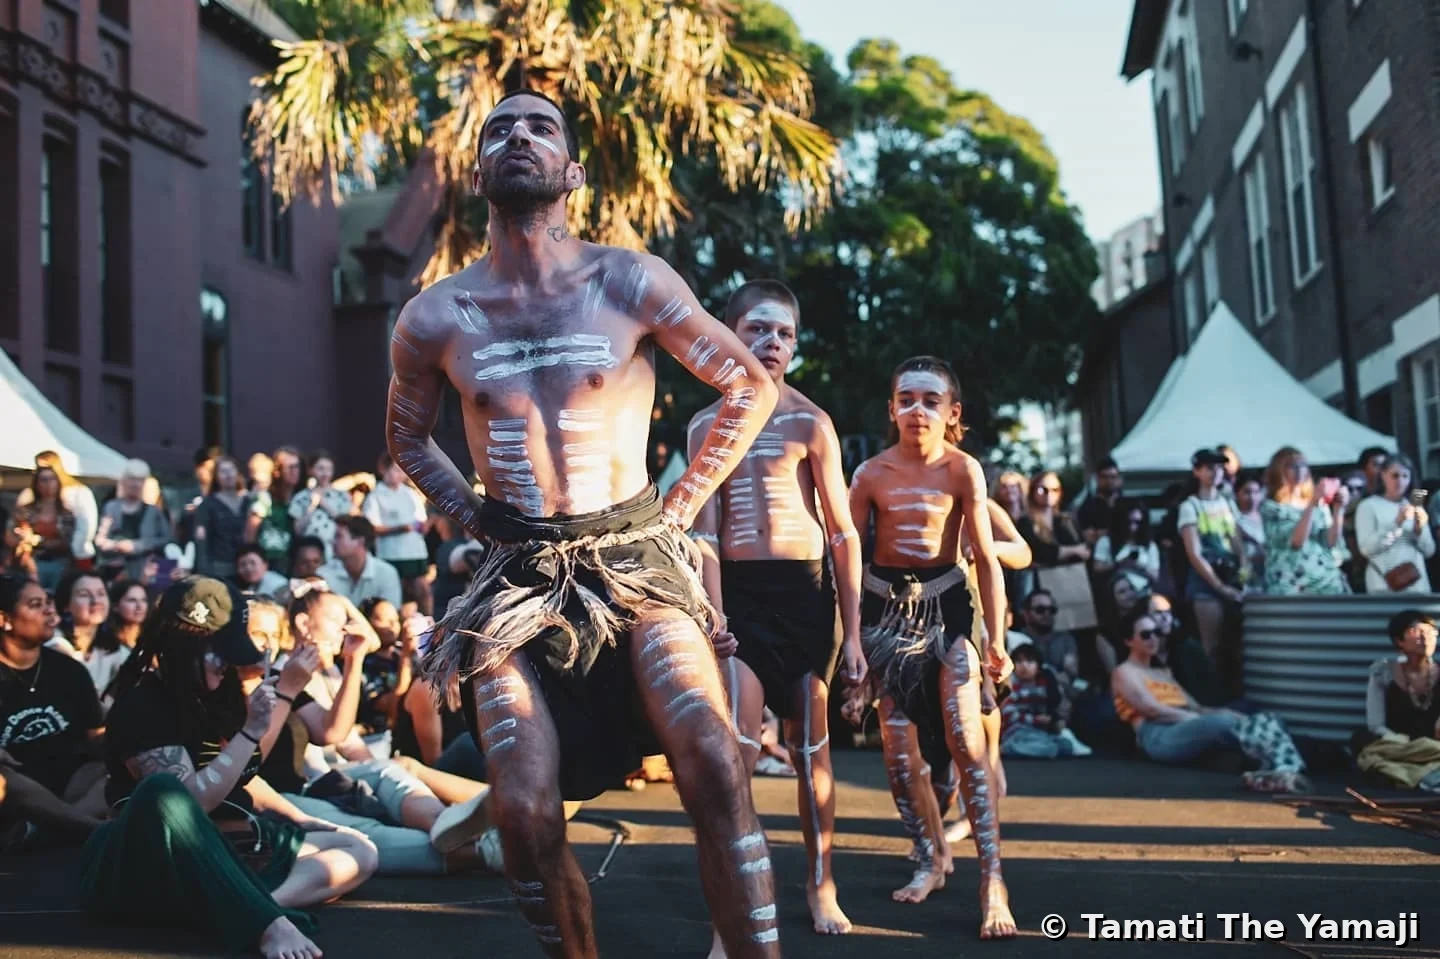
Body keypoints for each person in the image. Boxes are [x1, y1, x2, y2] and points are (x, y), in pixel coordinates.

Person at [384, 89, 781, 956]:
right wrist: (476, 516)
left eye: (540, 126)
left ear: (570, 172)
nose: (517, 135)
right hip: (516, 582)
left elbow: (750, 384)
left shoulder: (627, 279)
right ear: (478, 172)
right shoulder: (435, 316)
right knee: (523, 814)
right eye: (498, 128)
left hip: (636, 560)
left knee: (715, 762)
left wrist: (679, 505)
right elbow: (407, 440)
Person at [685, 279, 865, 938]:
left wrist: (853, 636)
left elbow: (842, 531)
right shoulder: (707, 425)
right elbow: (703, 529)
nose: (772, 342)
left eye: (784, 332)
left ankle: (822, 885)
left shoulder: (810, 421)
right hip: (743, 597)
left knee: (813, 751)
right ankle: (734, 909)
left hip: (807, 593)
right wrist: (714, 614)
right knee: (733, 754)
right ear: (732, 333)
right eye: (758, 329)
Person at [85, 577, 380, 959]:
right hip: (151, 860)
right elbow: (190, 804)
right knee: (163, 791)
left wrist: (300, 818)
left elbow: (251, 775)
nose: (229, 664)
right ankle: (264, 921)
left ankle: (236, 906)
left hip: (234, 847)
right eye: (222, 652)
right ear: (185, 644)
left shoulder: (216, 691)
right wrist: (252, 730)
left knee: (359, 850)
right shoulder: (141, 705)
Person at [847, 356, 1015, 938]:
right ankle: (931, 858)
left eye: (931, 400)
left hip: (948, 610)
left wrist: (998, 637)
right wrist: (849, 643)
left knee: (967, 737)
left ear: (953, 412)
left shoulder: (964, 469)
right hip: (886, 615)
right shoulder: (869, 474)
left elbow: (988, 558)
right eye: (907, 399)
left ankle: (992, 878)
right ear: (892, 408)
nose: (918, 410)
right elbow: (846, 558)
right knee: (898, 757)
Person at [1112, 608, 1308, 792]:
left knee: (1267, 719)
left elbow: (1196, 707)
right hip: (1156, 733)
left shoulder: (1162, 672)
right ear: (1129, 641)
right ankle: (1284, 768)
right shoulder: (1124, 672)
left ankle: (1277, 771)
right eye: (1145, 635)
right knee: (1222, 723)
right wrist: (1198, 720)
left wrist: (1229, 715)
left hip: (1183, 723)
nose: (1153, 638)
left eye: (1156, 632)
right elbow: (1151, 710)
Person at [0, 574, 108, 847]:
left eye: (49, 602)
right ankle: (93, 830)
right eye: (35, 604)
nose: (50, 610)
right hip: (13, 790)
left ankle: (45, 829)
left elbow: (96, 738)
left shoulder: (69, 670)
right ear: (4, 619)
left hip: (70, 785)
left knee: (115, 765)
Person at [1177, 449, 1245, 662]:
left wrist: (1244, 566)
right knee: (1211, 645)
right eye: (1209, 468)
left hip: (1231, 576)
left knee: (1237, 641)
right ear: (1197, 471)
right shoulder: (1190, 506)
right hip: (1205, 583)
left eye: (1219, 467)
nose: (1216, 472)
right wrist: (1219, 587)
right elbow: (1194, 554)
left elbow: (1236, 540)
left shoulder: (1227, 502)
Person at [1261, 447, 1350, 596]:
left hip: (1324, 579)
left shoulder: (1319, 505)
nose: (1299, 470)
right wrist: (1312, 504)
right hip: (1291, 582)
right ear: (1278, 470)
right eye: (1292, 466)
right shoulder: (1271, 507)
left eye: (1302, 465)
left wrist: (1338, 510)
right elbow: (1296, 541)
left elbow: (1330, 541)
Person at [364, 455, 434, 615]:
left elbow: (421, 520)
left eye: (402, 470)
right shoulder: (375, 496)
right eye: (395, 470)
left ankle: (430, 627)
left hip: (415, 552)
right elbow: (371, 528)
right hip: (391, 554)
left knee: (423, 592)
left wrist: (425, 526)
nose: (400, 474)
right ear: (384, 470)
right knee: (396, 596)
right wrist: (400, 528)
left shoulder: (411, 494)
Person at [1356, 454, 1435, 594]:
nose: (1400, 481)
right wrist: (1396, 523)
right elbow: (1367, 549)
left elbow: (1429, 551)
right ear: (1383, 475)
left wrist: (1419, 530)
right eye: (1395, 475)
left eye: (1405, 476)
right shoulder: (1368, 506)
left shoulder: (1415, 506)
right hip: (1383, 584)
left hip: (1416, 584)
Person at [94, 458, 172, 582]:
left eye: (140, 480)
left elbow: (166, 539)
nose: (135, 484)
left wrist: (138, 546)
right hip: (115, 571)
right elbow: (100, 539)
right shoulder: (111, 507)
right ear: (124, 481)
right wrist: (117, 546)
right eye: (132, 479)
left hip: (145, 573)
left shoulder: (153, 512)